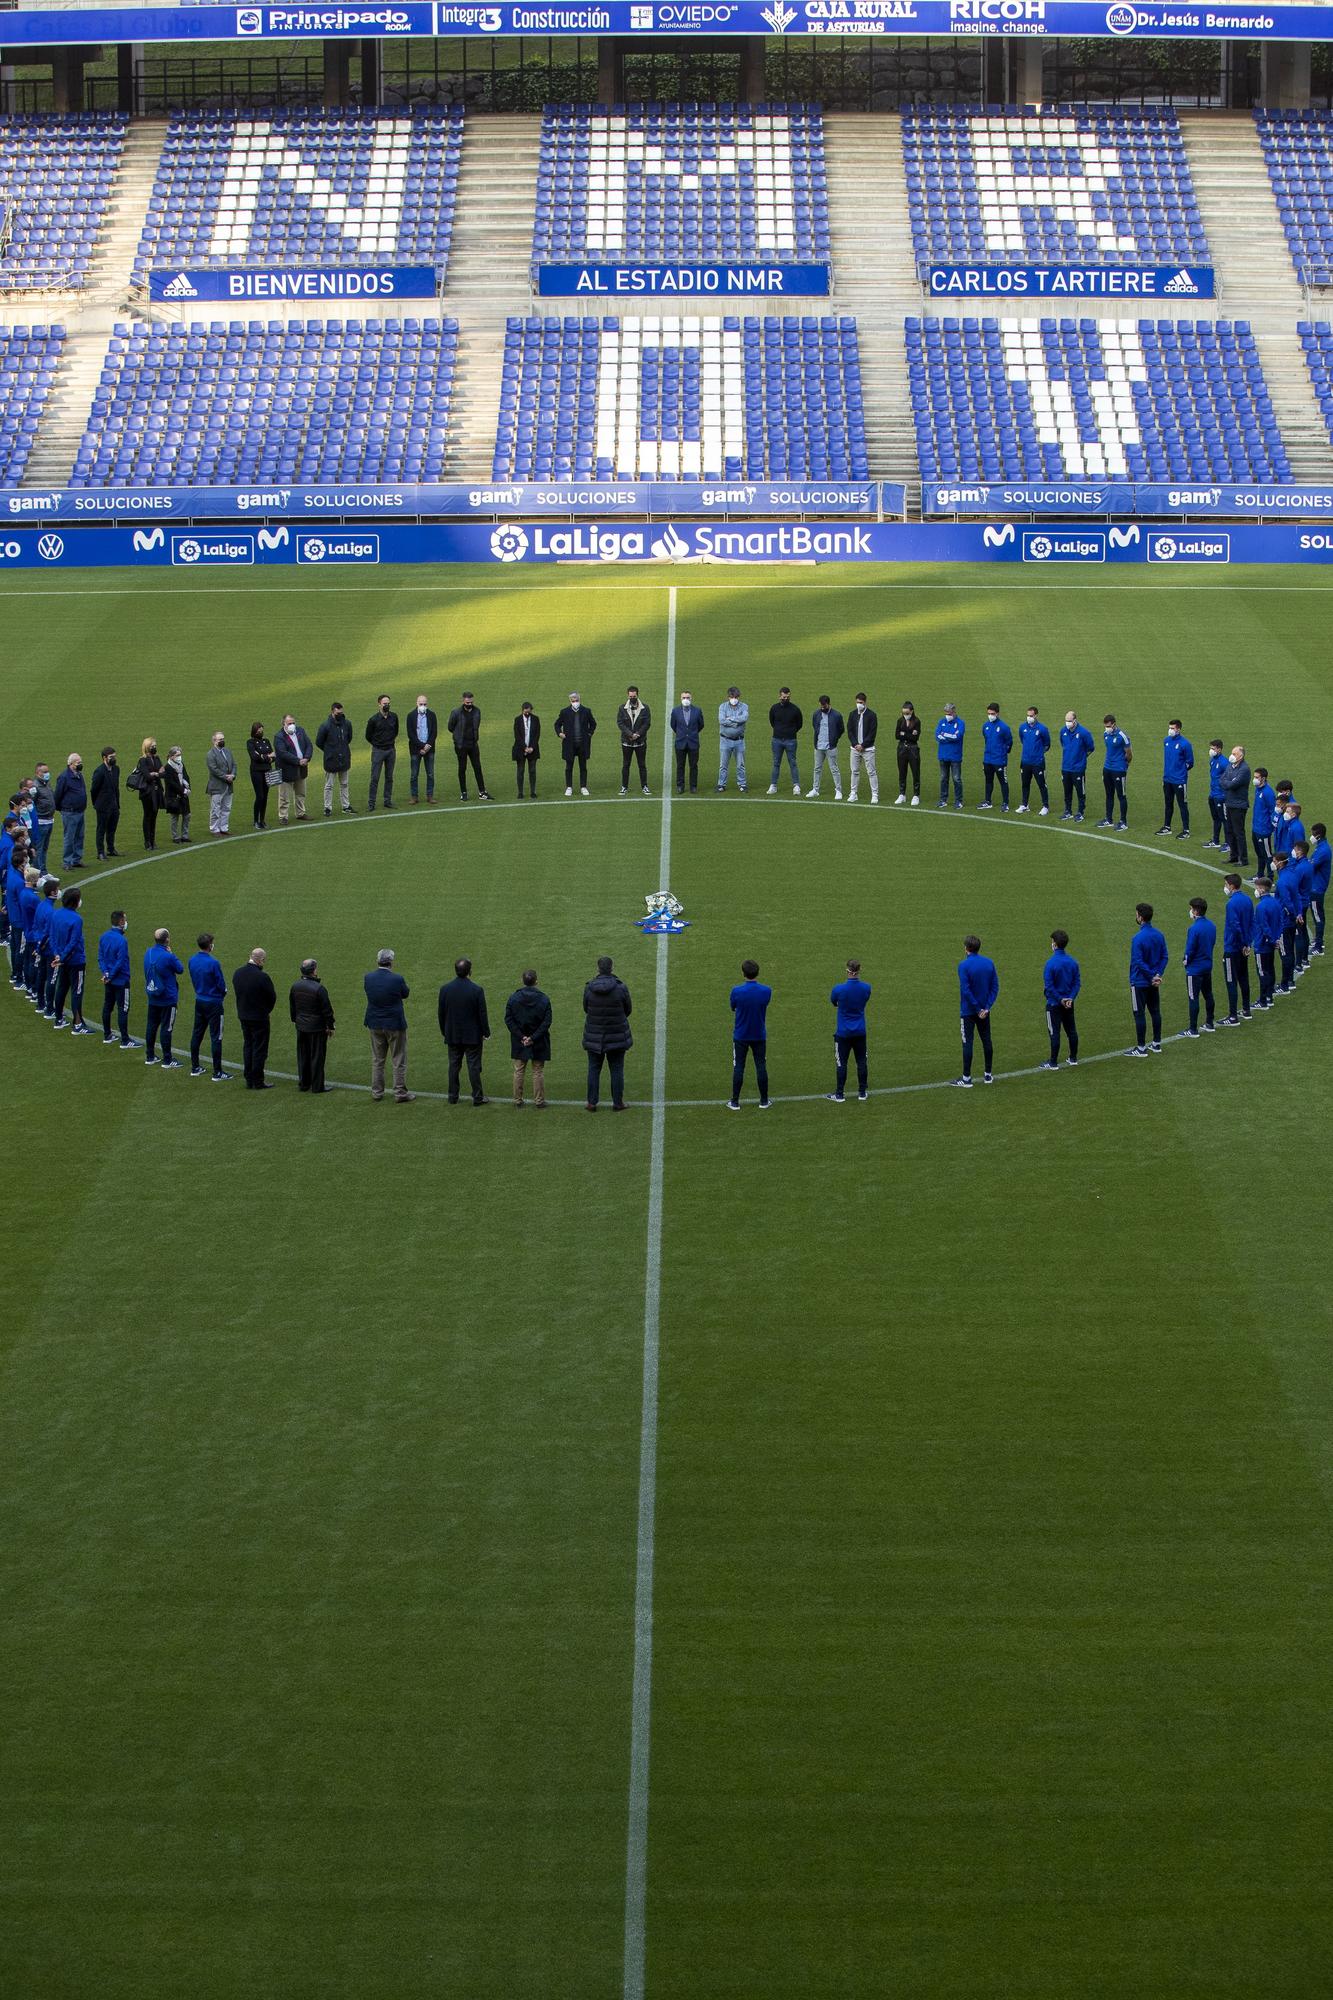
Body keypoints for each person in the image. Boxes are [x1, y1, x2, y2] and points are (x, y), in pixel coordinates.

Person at [438, 955, 491, 1105]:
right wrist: (486, 1032)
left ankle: (452, 1096)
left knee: (454, 1065)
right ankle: (477, 1097)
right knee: (473, 1066)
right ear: (469, 971)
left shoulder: (445, 989)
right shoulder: (476, 990)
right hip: (472, 1036)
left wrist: (444, 1031)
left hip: (453, 1034)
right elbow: (482, 1014)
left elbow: (441, 1014)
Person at [582, 955, 632, 1110]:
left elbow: (586, 1008)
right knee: (616, 1069)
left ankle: (591, 1102)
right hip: (617, 1035)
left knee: (593, 1069)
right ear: (611, 968)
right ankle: (618, 1103)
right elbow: (628, 1010)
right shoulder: (620, 987)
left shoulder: (589, 987)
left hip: (594, 1036)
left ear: (598, 969)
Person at [363, 948, 413, 1101]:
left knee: (378, 1060)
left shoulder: (368, 977)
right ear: (391, 961)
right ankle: (400, 1093)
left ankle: (377, 1092)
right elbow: (405, 993)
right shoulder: (397, 979)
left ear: (378, 961)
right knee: (398, 1059)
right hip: (394, 1024)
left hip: (375, 1023)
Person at [727, 958, 772, 1109]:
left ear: (743, 973)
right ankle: (764, 1101)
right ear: (757, 973)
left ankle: (734, 1102)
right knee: (761, 1066)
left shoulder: (737, 991)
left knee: (739, 1066)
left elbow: (733, 1007)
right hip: (759, 1034)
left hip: (741, 1035)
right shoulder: (766, 991)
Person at [505, 967, 552, 1108]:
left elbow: (508, 1019)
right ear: (536, 981)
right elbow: (547, 1021)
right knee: (538, 1071)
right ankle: (539, 1101)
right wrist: (533, 1037)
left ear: (522, 981)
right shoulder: (544, 999)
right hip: (539, 1041)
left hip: (520, 1041)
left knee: (519, 1070)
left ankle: (518, 1100)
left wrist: (522, 1037)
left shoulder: (513, 998)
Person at [955, 935, 998, 1086]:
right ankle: (988, 1075)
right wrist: (986, 1007)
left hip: (968, 1011)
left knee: (968, 1043)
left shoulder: (963, 966)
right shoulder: (989, 963)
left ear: (966, 948)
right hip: (984, 1013)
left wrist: (977, 1007)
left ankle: (966, 1078)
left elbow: (966, 990)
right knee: (987, 1040)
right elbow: (995, 987)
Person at [233, 946, 278, 1089]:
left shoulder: (238, 973)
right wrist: (266, 1010)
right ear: (262, 960)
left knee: (248, 1045)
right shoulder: (262, 977)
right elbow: (272, 997)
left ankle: (249, 1079)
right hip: (259, 1017)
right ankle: (258, 1081)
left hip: (243, 1015)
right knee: (259, 1049)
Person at [827, 958, 871, 1102]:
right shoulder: (866, 988)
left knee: (842, 1063)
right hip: (860, 1031)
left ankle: (839, 1094)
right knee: (862, 1062)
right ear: (859, 971)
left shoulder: (839, 989)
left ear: (847, 971)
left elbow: (834, 1002)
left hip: (843, 1033)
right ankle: (862, 1092)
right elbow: (864, 1000)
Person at [1127, 902, 1168, 1055]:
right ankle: (1156, 1043)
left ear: (1140, 917)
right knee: (1155, 1011)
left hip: (1139, 981)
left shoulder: (1137, 938)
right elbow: (1164, 956)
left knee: (1139, 1013)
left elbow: (1138, 961)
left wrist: (1151, 975)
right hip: (1153, 982)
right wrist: (1157, 974)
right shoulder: (1159, 935)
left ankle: (1141, 1048)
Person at [49, 885, 91, 1034]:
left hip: (61, 957)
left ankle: (59, 1019)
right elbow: (73, 942)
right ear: (75, 902)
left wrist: (58, 955)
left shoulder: (56, 914)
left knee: (62, 988)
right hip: (76, 960)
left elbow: (52, 936)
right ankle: (77, 1024)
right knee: (77, 991)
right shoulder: (77, 919)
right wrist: (63, 957)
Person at [289, 958, 335, 1093]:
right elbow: (327, 1011)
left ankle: (304, 1083)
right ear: (314, 971)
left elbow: (293, 1007)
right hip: (316, 1028)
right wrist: (330, 1026)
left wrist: (296, 1021)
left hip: (301, 1026)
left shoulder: (295, 986)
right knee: (317, 1056)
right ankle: (317, 1086)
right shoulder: (319, 989)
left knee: (303, 1055)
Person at [187, 931, 228, 1079]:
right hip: (214, 1003)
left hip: (200, 1000)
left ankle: (195, 1067)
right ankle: (217, 1072)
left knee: (197, 1034)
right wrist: (221, 994)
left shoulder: (192, 960)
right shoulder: (213, 963)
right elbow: (221, 985)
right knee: (216, 1036)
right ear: (210, 945)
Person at [143, 925, 185, 1068]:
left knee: (151, 1026)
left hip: (153, 995)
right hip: (168, 998)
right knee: (166, 1028)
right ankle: (167, 1059)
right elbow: (180, 969)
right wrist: (172, 954)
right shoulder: (168, 956)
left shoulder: (148, 953)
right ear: (167, 940)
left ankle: (150, 1056)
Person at [1040, 929, 1080, 1069]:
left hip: (1054, 1004)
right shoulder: (1073, 962)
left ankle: (1053, 1062)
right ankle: (1073, 1058)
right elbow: (1077, 983)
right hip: (1069, 1003)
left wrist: (1060, 999)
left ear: (1055, 944)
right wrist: (1070, 998)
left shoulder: (1050, 964)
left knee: (1054, 1033)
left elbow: (1049, 986)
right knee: (1072, 1031)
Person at [1180, 896, 1217, 1037]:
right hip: (1207, 965)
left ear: (1195, 911)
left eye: (1191, 909)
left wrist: (1186, 961)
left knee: (1193, 997)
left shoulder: (1193, 928)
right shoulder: (1212, 926)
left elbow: (1190, 949)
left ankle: (1193, 1029)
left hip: (1194, 969)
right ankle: (1209, 1023)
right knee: (1208, 994)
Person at [1221, 874, 1254, 1025]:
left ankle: (1233, 1016)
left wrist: (1241, 944)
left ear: (1232, 886)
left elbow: (1235, 926)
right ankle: (1246, 1010)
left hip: (1233, 947)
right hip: (1244, 947)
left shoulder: (1231, 904)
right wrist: (1248, 944)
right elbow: (1252, 923)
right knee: (1243, 978)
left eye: (1226, 885)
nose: (1225, 887)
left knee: (1231, 981)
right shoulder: (1247, 899)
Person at [98, 908, 134, 1047]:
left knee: (108, 1006)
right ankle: (125, 1040)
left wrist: (106, 974)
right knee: (123, 1009)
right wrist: (111, 975)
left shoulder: (104, 936)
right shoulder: (122, 940)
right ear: (120, 922)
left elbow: (100, 957)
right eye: (124, 919)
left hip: (108, 979)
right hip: (121, 980)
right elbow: (120, 962)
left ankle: (107, 1035)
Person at [447, 692, 490, 802]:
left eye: (471, 702)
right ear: (463, 701)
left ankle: (482, 792)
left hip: (473, 744)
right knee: (462, 768)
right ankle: (464, 792)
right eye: (467, 702)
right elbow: (450, 727)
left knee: (477, 767)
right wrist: (458, 739)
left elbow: (476, 726)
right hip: (461, 745)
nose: (469, 704)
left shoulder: (477, 711)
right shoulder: (456, 712)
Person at [315, 701, 355, 817]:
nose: (340, 715)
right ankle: (327, 807)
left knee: (344, 783)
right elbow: (319, 742)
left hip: (344, 758)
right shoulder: (325, 726)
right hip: (331, 760)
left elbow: (349, 738)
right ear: (332, 712)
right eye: (338, 713)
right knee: (329, 785)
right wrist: (330, 751)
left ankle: (346, 806)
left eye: (341, 712)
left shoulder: (347, 724)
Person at [273, 714, 313, 825]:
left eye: (293, 723)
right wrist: (298, 761)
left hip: (301, 768)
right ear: (283, 724)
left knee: (301, 793)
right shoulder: (279, 737)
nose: (292, 725)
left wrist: (306, 758)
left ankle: (300, 813)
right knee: (284, 796)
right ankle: (283, 816)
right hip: (286, 770)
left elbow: (309, 745)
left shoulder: (300, 731)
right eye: (289, 723)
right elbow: (283, 753)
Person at [1158, 719, 1194, 837]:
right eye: (1169, 728)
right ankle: (1167, 826)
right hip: (1167, 779)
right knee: (1168, 804)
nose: (1170, 730)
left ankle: (1186, 830)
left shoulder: (1185, 744)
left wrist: (1180, 771)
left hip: (1179, 780)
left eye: (1173, 728)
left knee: (1182, 805)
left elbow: (1190, 762)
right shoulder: (1166, 741)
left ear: (1178, 729)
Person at [557, 692, 597, 796]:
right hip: (569, 744)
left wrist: (589, 734)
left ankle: (583, 787)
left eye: (576, 700)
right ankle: (569, 787)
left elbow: (593, 723)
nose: (575, 702)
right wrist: (560, 733)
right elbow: (557, 724)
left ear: (580, 700)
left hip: (582, 744)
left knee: (583, 767)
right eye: (573, 701)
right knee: (569, 766)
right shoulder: (564, 712)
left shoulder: (586, 711)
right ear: (570, 701)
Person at [30, 873, 59, 1017]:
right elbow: (48, 934)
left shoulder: (41, 905)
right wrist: (42, 947)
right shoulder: (51, 912)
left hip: (40, 946)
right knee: (51, 978)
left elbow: (35, 926)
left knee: (41, 975)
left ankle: (40, 1003)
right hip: (49, 950)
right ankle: (49, 1008)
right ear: (52, 892)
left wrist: (38, 945)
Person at [1252, 875, 1284, 1009]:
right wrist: (1276, 939)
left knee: (1263, 972)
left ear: (1261, 889)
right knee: (1270, 969)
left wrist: (1271, 939)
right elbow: (1281, 922)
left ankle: (1263, 1000)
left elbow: (1264, 927)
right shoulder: (1276, 902)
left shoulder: (1260, 907)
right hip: (1272, 942)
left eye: (1257, 888)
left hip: (1262, 944)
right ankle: (1269, 997)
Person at [806, 694, 845, 801]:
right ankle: (815, 789)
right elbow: (815, 726)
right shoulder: (816, 714)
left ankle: (838, 790)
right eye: (821, 706)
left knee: (834, 769)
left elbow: (841, 729)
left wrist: (834, 739)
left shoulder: (837, 715)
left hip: (830, 747)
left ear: (829, 704)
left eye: (824, 706)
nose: (822, 708)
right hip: (818, 746)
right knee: (817, 768)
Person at [365, 694, 399, 811]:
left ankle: (387, 800)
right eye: (385, 704)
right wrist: (377, 743)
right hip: (378, 751)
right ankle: (371, 803)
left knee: (389, 777)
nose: (387, 705)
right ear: (379, 704)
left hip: (390, 750)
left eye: (388, 703)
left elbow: (396, 731)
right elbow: (368, 736)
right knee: (375, 778)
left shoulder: (394, 717)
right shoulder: (373, 720)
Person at [1058, 712, 1094, 822]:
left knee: (1080, 791)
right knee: (1067, 791)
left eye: (1069, 721)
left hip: (1078, 768)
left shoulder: (1084, 733)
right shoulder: (1063, 731)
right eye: (1066, 720)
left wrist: (1081, 758)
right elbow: (1063, 744)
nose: (1067, 723)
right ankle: (1068, 811)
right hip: (1066, 767)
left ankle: (1080, 812)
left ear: (1075, 720)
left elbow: (1091, 748)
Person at [767, 686, 803, 796]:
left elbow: (799, 724)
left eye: (788, 697)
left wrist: (790, 732)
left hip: (791, 740)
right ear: (779, 696)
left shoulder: (795, 709)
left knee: (793, 763)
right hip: (777, 740)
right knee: (776, 763)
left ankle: (796, 786)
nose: (786, 699)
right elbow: (772, 721)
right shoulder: (774, 708)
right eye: (784, 697)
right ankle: (773, 785)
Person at [1220, 744, 1252, 866]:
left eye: (1234, 754)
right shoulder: (1230, 766)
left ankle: (1243, 859)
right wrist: (1229, 782)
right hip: (1229, 802)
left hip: (1239, 805)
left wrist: (1228, 783)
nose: (1232, 756)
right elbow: (1222, 780)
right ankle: (1233, 855)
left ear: (1241, 756)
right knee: (1229, 831)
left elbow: (1231, 785)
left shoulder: (1244, 769)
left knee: (1239, 832)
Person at [1016, 705, 1051, 815]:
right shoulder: (1022, 728)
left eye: (1031, 715)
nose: (1029, 717)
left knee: (1042, 784)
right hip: (1025, 762)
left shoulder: (1042, 729)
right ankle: (1025, 804)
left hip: (1038, 763)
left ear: (1036, 715)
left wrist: (1038, 753)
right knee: (1025, 784)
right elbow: (1022, 739)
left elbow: (1047, 744)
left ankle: (1045, 806)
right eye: (1027, 715)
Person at [54, 753, 87, 868]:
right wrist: (62, 809)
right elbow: (57, 795)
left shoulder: (79, 775)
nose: (80, 765)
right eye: (78, 763)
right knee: (69, 837)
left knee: (80, 836)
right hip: (70, 812)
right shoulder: (64, 777)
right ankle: (67, 862)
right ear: (71, 764)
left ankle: (76, 859)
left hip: (80, 811)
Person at [618, 685, 652, 796]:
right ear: (628, 695)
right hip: (626, 742)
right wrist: (630, 734)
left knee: (642, 765)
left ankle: (645, 786)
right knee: (626, 765)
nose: (632, 697)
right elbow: (620, 723)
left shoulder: (645, 708)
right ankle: (624, 787)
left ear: (637, 695)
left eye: (634, 696)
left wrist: (637, 734)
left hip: (640, 741)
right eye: (630, 696)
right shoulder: (622, 708)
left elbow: (647, 723)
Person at [1275, 854, 1302, 993]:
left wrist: (1292, 913)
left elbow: (1286, 901)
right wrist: (1299, 913)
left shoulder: (1281, 881)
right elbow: (1296, 896)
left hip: (1284, 922)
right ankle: (1290, 980)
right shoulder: (1292, 875)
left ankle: (1285, 984)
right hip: (1291, 921)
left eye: (1274, 861)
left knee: (1285, 953)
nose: (1273, 864)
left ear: (1280, 863)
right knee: (1290, 950)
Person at [132, 738, 165, 849]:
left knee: (154, 815)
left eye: (155, 746)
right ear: (146, 747)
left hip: (156, 791)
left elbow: (163, 773)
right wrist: (156, 773)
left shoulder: (156, 758)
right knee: (147, 815)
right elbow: (147, 776)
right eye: (152, 746)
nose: (154, 748)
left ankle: (152, 840)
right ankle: (147, 842)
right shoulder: (143, 760)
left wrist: (155, 774)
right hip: (147, 792)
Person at [978, 702, 1012, 812]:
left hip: (999, 760)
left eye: (992, 713)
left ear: (997, 713)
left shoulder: (1004, 727)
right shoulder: (985, 726)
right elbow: (986, 739)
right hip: (988, 759)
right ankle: (988, 801)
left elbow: (1009, 742)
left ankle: (1005, 803)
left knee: (1003, 781)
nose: (990, 715)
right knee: (988, 781)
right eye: (988, 713)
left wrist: (1003, 753)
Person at [1099, 715, 1131, 829]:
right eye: (1105, 726)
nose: (1106, 728)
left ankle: (1123, 822)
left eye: (1108, 726)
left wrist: (1125, 765)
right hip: (1107, 768)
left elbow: (1129, 753)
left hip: (1119, 770)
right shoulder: (1105, 734)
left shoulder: (1122, 736)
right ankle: (1109, 819)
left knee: (1121, 795)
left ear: (1113, 724)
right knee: (1109, 794)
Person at [669, 690, 704, 795]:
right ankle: (680, 786)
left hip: (693, 742)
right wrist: (682, 734)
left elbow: (701, 725)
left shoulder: (697, 711)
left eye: (688, 697)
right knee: (680, 765)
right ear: (681, 699)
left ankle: (693, 786)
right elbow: (673, 725)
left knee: (693, 765)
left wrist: (691, 733)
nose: (686, 700)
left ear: (691, 698)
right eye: (684, 698)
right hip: (680, 742)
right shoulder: (675, 711)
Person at [847, 694, 879, 805]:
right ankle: (853, 793)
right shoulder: (852, 714)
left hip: (868, 749)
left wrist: (863, 745)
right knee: (854, 771)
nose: (858, 704)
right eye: (857, 702)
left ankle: (875, 795)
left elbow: (872, 733)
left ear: (865, 702)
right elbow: (850, 731)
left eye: (860, 702)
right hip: (855, 748)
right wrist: (855, 744)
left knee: (871, 772)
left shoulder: (872, 715)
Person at [407, 693, 439, 804]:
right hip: (416, 750)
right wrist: (421, 746)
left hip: (429, 749)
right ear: (417, 703)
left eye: (425, 704)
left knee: (430, 774)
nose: (423, 706)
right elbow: (411, 734)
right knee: (414, 774)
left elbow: (434, 732)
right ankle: (414, 796)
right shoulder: (410, 716)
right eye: (421, 704)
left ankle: (430, 796)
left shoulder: (432, 715)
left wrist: (427, 746)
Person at [716, 687, 748, 795]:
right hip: (725, 740)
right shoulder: (723, 706)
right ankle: (721, 784)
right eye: (732, 697)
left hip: (739, 740)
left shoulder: (744, 706)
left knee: (740, 764)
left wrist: (730, 719)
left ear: (739, 697)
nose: (734, 699)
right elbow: (721, 720)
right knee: (723, 765)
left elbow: (744, 718)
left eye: (736, 697)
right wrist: (736, 723)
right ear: (728, 697)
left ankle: (742, 784)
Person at [1289, 839, 1315, 975]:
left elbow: (1294, 886)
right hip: (1305, 901)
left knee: (1298, 933)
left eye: (1295, 848)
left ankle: (1298, 963)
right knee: (1303, 931)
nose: (1293, 850)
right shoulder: (1307, 864)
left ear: (1300, 851)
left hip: (1299, 903)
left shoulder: (1300, 868)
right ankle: (1304, 959)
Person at [90, 746, 120, 859]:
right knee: (101, 829)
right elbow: (94, 790)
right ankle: (100, 852)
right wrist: (96, 803)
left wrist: (117, 803)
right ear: (104, 758)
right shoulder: (99, 771)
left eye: (114, 757)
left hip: (114, 804)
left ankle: (111, 849)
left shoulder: (116, 769)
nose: (114, 759)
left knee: (112, 828)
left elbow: (116, 788)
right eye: (111, 757)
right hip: (103, 805)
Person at [205, 732, 236, 837]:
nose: (222, 741)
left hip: (228, 785)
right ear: (214, 741)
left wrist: (233, 775)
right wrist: (226, 777)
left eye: (223, 739)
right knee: (216, 809)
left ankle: (223, 828)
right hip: (217, 786)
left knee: (226, 807)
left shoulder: (227, 751)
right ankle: (214, 829)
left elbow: (234, 764)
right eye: (220, 739)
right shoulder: (211, 754)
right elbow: (214, 769)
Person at [245, 722, 275, 830]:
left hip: (267, 771)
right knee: (260, 796)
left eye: (262, 730)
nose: (261, 732)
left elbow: (274, 756)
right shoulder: (250, 742)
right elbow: (255, 757)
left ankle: (262, 820)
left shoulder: (266, 741)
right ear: (254, 731)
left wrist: (263, 756)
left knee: (265, 796)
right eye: (259, 731)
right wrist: (267, 757)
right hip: (256, 772)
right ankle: (255, 820)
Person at [935, 702, 965, 809]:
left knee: (956, 779)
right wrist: (948, 736)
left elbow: (957, 736)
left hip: (955, 756)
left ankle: (959, 801)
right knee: (943, 778)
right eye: (946, 713)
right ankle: (943, 800)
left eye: (949, 713)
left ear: (954, 712)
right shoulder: (941, 722)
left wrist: (945, 735)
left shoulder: (961, 723)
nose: (947, 715)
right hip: (943, 755)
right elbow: (937, 735)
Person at [893, 700, 922, 806]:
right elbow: (896, 735)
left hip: (913, 749)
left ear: (912, 711)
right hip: (901, 749)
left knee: (915, 772)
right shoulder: (900, 721)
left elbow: (915, 737)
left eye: (907, 713)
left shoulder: (917, 721)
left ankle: (916, 795)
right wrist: (908, 734)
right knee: (902, 772)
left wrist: (904, 734)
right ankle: (902, 794)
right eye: (904, 713)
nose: (905, 715)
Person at [1251, 766, 1277, 880]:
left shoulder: (1268, 793)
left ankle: (1270, 878)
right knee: (1259, 853)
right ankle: (1260, 874)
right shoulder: (1258, 789)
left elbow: (1273, 811)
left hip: (1264, 830)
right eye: (1254, 776)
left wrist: (1270, 827)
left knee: (1267, 854)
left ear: (1263, 778)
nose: (1254, 779)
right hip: (1256, 827)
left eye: (1257, 777)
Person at [1308, 821, 1329, 955]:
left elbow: (1311, 866)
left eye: (1313, 834)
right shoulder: (1322, 847)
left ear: (1319, 835)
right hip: (1317, 886)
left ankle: (1319, 946)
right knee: (1318, 916)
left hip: (1317, 888)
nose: (1312, 836)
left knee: (1318, 917)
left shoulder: (1323, 850)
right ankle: (1317, 940)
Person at [163, 745, 192, 843]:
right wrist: (182, 790)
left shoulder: (181, 764)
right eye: (177, 755)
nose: (179, 757)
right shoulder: (168, 767)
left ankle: (185, 835)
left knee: (187, 815)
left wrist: (188, 788)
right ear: (171, 757)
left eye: (180, 755)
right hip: (173, 796)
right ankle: (175, 837)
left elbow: (186, 776)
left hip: (183, 794)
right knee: (175, 817)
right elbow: (171, 783)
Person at [512, 703, 541, 798]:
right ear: (522, 710)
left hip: (533, 749)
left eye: (529, 711)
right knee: (520, 771)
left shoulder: (536, 719)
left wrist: (532, 747)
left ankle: (533, 791)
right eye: (526, 712)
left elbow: (537, 734)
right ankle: (520, 792)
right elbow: (517, 736)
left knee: (532, 770)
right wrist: (524, 747)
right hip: (520, 749)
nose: (527, 713)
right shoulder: (518, 720)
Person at [1203, 737, 1227, 849]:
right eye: (1211, 748)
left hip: (1221, 796)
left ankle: (1228, 843)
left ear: (1219, 749)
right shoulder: (1212, 760)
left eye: (1213, 748)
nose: (1211, 750)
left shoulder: (1224, 762)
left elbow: (1228, 778)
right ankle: (1216, 840)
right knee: (1216, 818)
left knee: (1224, 820)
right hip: (1213, 794)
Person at [31, 763, 55, 870]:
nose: (47, 774)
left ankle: (43, 871)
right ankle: (38, 872)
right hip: (41, 821)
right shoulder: (35, 787)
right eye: (44, 772)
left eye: (47, 771)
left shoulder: (47, 784)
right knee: (39, 849)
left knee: (45, 848)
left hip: (49, 820)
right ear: (37, 773)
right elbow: (32, 805)